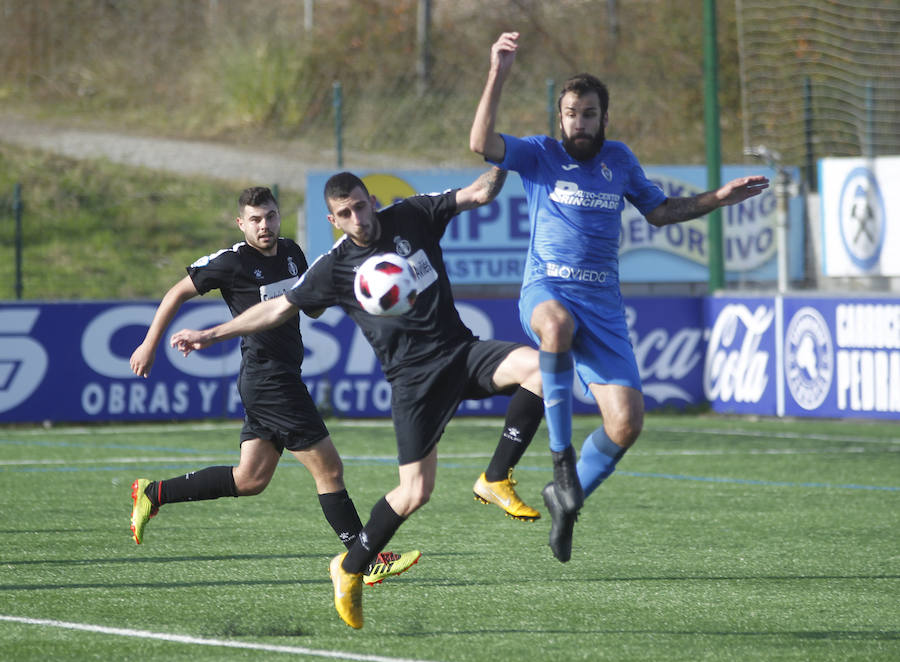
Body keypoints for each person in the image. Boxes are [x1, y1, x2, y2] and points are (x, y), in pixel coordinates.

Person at [170, 167, 545, 629]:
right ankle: (349, 567)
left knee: (542, 368)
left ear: (373, 200)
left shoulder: (411, 215)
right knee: (415, 493)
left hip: (461, 352)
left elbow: (477, 193)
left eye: (361, 206)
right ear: (334, 218)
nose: (357, 218)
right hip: (414, 383)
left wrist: (510, 156)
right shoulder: (333, 266)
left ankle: (495, 476)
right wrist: (212, 333)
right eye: (344, 213)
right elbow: (275, 309)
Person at [469, 31, 771, 563]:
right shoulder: (539, 156)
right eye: (570, 113)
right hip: (546, 289)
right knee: (556, 326)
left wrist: (720, 198)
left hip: (603, 306)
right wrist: (498, 71)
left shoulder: (620, 160)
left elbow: (660, 211)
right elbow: (480, 143)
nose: (578, 123)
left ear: (603, 118)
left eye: (588, 114)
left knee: (627, 424)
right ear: (558, 118)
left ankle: (567, 497)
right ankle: (560, 458)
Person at [128, 186, 419, 586]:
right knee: (330, 469)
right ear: (241, 223)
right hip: (268, 380)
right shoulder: (232, 262)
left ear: (279, 216)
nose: (264, 226)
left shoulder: (292, 253)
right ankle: (364, 557)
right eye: (255, 219)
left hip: (280, 375)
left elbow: (310, 306)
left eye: (270, 216)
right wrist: (149, 344)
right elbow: (178, 291)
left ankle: (153, 493)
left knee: (251, 479)